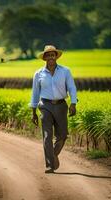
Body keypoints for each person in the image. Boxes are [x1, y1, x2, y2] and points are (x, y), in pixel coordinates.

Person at [29, 45, 77, 173]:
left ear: (56, 56)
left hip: (61, 105)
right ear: (44, 58)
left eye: (52, 55)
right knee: (47, 135)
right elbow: (35, 93)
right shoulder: (38, 74)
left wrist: (73, 103)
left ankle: (53, 154)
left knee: (62, 135)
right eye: (48, 55)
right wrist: (33, 112)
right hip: (45, 106)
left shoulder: (65, 71)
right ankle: (50, 165)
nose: (50, 57)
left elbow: (72, 88)